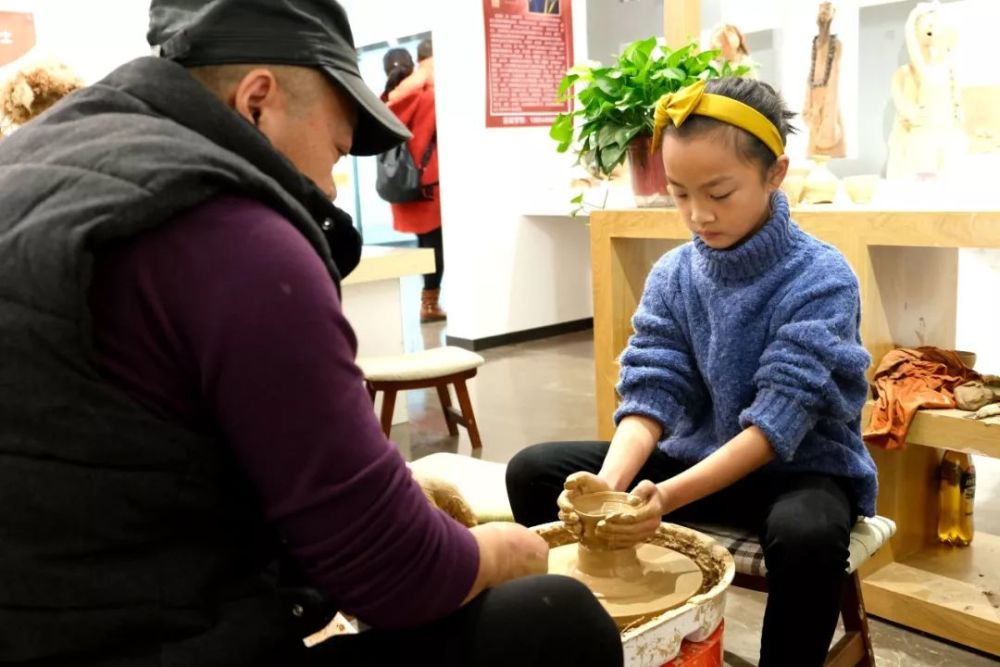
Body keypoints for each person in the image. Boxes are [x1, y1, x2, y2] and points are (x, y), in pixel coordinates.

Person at [0, 1, 623, 666]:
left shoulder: (37, 167)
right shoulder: (233, 232)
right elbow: (392, 572)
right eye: (335, 149)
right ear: (258, 101)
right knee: (554, 619)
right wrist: (510, 552)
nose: (330, 186)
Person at [507, 77, 877, 667]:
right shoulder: (674, 274)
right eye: (679, 194)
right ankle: (582, 635)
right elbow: (654, 390)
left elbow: (776, 423)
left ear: (774, 174)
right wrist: (609, 487)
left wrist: (661, 498)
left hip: (796, 470)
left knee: (808, 536)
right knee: (534, 472)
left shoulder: (821, 278)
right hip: (695, 456)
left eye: (719, 192)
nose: (697, 214)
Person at [383, 38, 446, 323]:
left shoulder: (390, 97)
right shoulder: (429, 96)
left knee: (427, 244)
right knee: (435, 246)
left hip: (405, 180)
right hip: (431, 181)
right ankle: (429, 303)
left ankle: (429, 301)